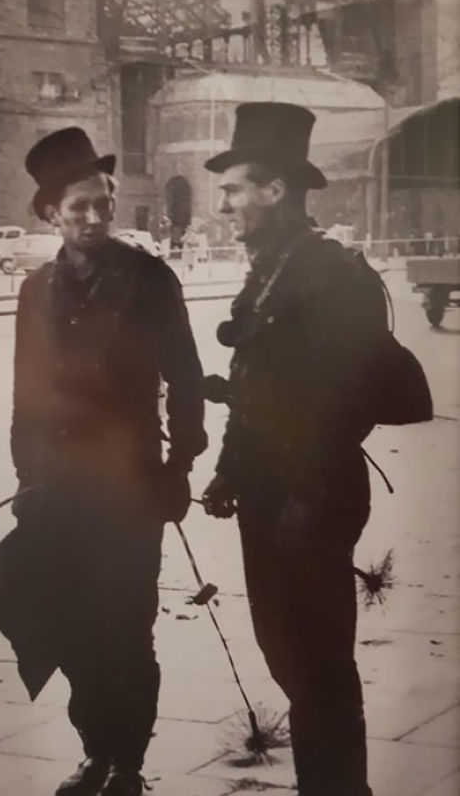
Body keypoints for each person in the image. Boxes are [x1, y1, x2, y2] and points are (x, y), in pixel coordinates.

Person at [10, 127, 207, 796]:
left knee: (127, 629)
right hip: (59, 490)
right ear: (49, 215)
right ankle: (94, 751)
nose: (94, 218)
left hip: (130, 487)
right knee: (71, 627)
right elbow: (25, 392)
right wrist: (26, 477)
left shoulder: (149, 278)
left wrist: (180, 463)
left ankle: (128, 763)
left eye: (102, 204)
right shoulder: (36, 291)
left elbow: (184, 374)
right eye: (77, 208)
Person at [201, 102, 381, 796]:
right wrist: (227, 469)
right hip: (269, 497)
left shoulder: (327, 273)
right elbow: (256, 383)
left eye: (234, 188)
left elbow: (350, 402)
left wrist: (305, 497)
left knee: (320, 666)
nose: (225, 204)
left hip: (312, 499)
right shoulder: (271, 268)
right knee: (290, 658)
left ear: (276, 190)